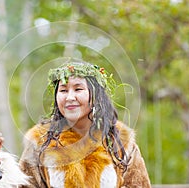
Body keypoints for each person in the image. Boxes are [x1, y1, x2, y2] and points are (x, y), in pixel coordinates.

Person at [19, 59, 151, 187]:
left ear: (95, 96)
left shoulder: (120, 141)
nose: (70, 97)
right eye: (63, 90)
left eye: (78, 89)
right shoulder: (40, 141)